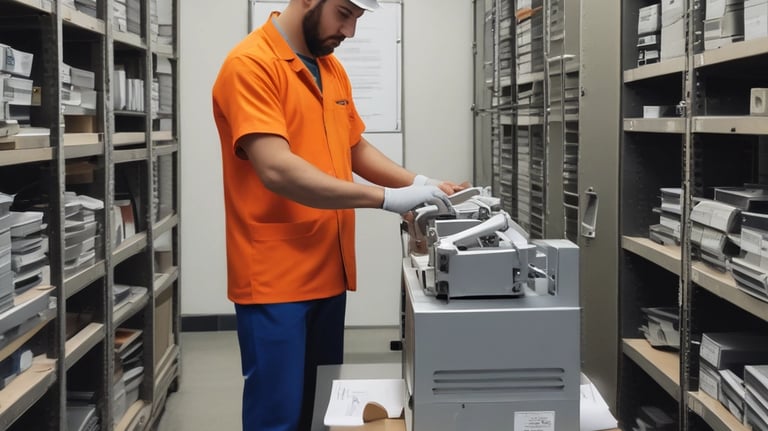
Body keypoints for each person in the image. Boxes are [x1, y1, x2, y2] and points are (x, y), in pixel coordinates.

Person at [212, 0, 465, 430]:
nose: (349, 32)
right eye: (344, 14)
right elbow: (276, 168)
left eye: (357, 19)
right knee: (278, 414)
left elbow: (354, 147)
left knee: (321, 410)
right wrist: (386, 198)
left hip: (327, 271)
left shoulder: (328, 67)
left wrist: (420, 184)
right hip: (276, 279)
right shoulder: (250, 65)